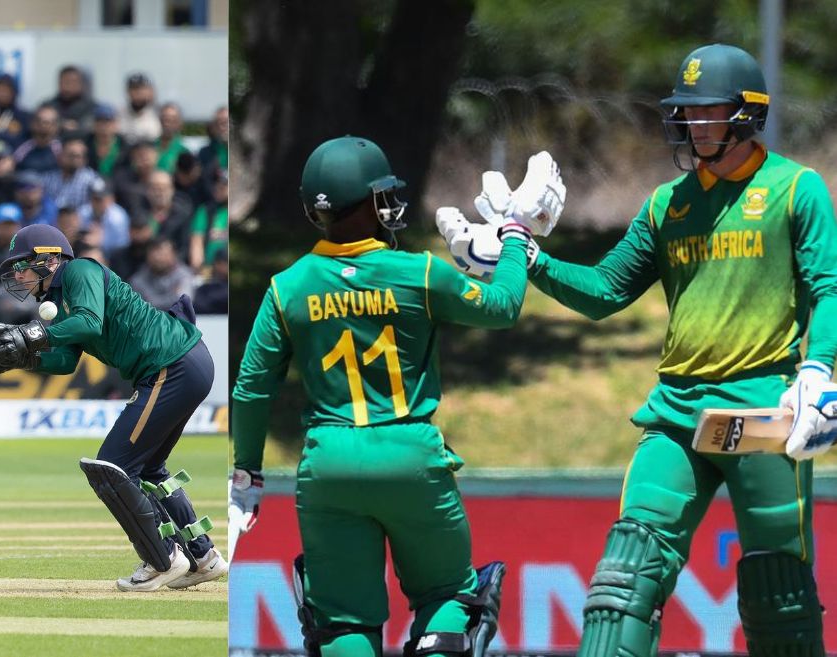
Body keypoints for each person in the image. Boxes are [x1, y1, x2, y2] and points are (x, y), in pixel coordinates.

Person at [439, 44, 837, 657]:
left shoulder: (795, 190)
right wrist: (528, 255)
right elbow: (604, 291)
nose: (695, 125)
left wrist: (819, 368)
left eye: (709, 112)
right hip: (677, 414)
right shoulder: (667, 204)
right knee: (620, 587)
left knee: (777, 592)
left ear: (746, 114)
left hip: (764, 412)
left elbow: (829, 287)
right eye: (688, 112)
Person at [231, 136, 563, 657]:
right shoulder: (420, 274)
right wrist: (517, 238)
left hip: (330, 462)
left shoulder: (286, 287)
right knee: (448, 596)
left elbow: (251, 390)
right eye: (381, 195)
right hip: (410, 456)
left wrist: (247, 471)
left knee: (341, 623)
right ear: (368, 204)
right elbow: (501, 307)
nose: (389, 204)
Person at [0, 223, 227, 592]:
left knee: (113, 466)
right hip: (182, 364)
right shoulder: (58, 302)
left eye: (24, 265)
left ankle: (164, 559)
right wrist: (18, 359)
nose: (19, 275)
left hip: (171, 364)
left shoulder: (80, 270)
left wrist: (30, 335)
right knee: (148, 468)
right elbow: (64, 362)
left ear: (50, 258)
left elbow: (89, 323)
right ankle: (204, 557)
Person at [128, 237, 195, 309]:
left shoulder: (184, 274)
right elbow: (139, 306)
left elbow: (184, 303)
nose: (158, 258)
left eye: (163, 254)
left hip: (176, 319)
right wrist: (173, 296)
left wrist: (151, 301)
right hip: (148, 319)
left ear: (174, 255)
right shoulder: (138, 279)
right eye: (154, 254)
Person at [39, 138, 100, 211]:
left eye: (78, 156)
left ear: (84, 160)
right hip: (52, 218)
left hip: (80, 219)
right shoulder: (48, 178)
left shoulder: (91, 180)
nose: (74, 160)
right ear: (60, 156)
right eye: (70, 156)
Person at [42, 65, 97, 142]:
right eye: (66, 81)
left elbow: (91, 128)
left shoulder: (92, 107)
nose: (69, 86)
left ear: (81, 83)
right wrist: (61, 125)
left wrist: (76, 128)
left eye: (73, 81)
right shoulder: (48, 106)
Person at [12, 105, 63, 174]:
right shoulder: (22, 147)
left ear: (56, 126)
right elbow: (13, 163)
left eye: (47, 122)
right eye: (39, 121)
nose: (43, 126)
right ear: (32, 124)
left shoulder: (61, 149)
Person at [119, 73, 160, 145]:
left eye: (141, 88)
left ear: (148, 91)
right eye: (134, 88)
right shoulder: (118, 114)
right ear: (128, 92)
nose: (138, 92)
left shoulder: (157, 115)